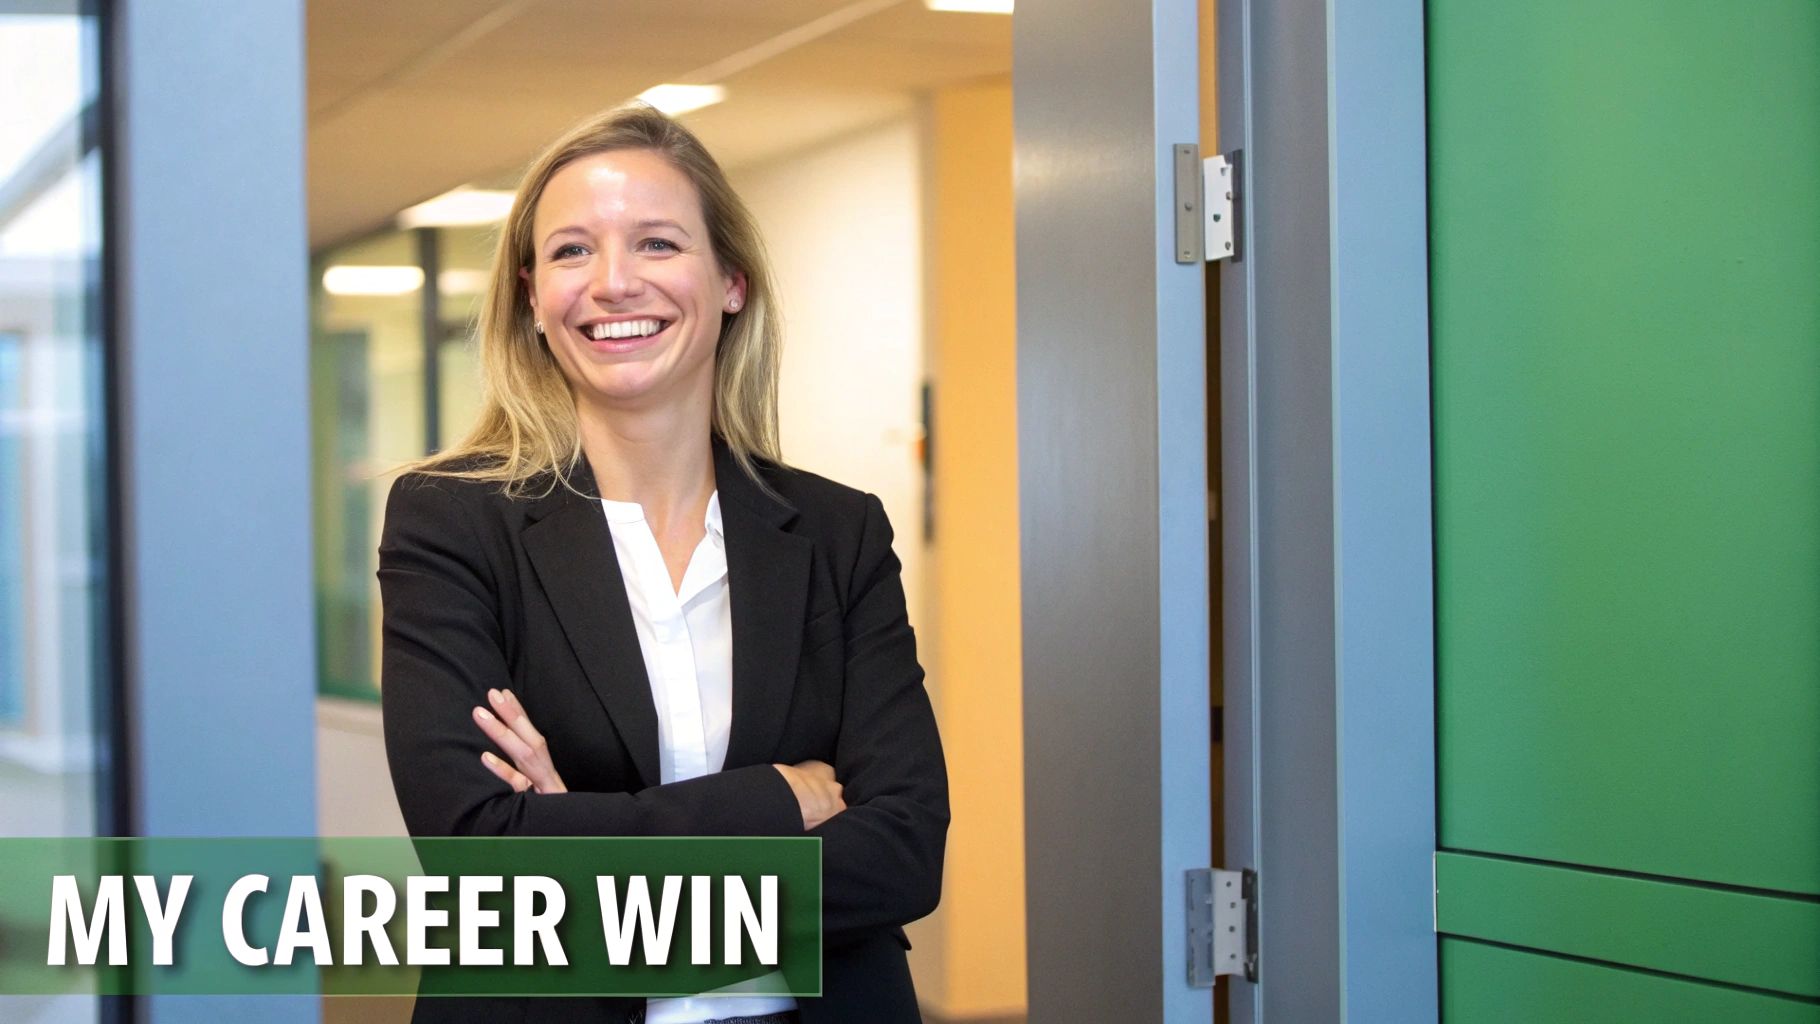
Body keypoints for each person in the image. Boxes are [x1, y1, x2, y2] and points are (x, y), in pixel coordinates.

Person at [377, 104, 949, 1024]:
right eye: (572, 251)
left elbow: (904, 853)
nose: (613, 283)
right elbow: (479, 853)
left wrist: (580, 844)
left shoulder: (839, 533)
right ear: (531, 297)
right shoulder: (451, 523)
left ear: (731, 282)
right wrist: (775, 801)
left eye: (656, 243)